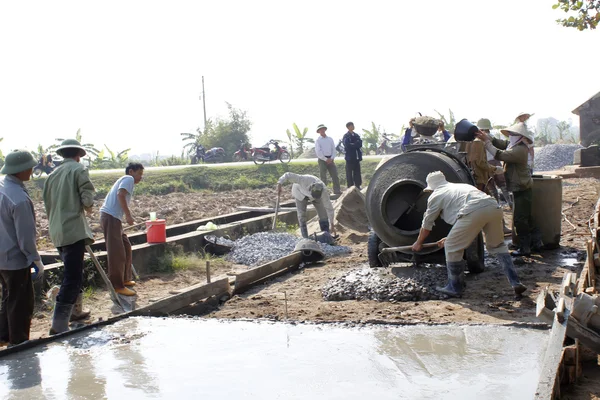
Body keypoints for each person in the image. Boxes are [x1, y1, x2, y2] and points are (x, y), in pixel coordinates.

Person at [411, 171, 526, 297]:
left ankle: (454, 287)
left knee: (451, 247)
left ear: (431, 187)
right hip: (493, 207)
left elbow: (427, 224)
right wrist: (451, 236)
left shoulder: (436, 195)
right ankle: (515, 282)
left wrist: (418, 243)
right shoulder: (463, 187)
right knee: (498, 246)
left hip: (472, 210)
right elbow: (469, 220)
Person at [43, 139, 96, 334]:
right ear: (78, 155)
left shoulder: (52, 175)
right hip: (73, 230)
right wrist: (88, 206)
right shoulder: (78, 169)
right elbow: (87, 195)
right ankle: (59, 324)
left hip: (57, 230)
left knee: (72, 271)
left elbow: (47, 204)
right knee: (72, 277)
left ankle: (75, 312)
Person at [0, 150, 43, 347]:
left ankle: (4, 336)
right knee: (21, 303)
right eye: (30, 167)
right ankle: (18, 343)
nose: (32, 170)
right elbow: (25, 236)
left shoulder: (3, 188)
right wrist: (35, 259)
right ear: (21, 170)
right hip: (14, 258)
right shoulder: (19, 199)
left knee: (8, 298)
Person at [476, 123, 537, 256]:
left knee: (521, 219)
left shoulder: (519, 150)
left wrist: (486, 142)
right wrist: (488, 138)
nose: (510, 137)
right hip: (520, 186)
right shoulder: (515, 145)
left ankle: (525, 248)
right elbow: (501, 143)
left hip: (522, 187)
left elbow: (499, 154)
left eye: (512, 135)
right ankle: (530, 243)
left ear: (520, 136)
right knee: (523, 217)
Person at [100, 163, 144, 296]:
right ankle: (117, 285)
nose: (140, 178)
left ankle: (125, 279)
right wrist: (129, 215)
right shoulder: (128, 179)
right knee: (116, 252)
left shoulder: (127, 180)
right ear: (131, 171)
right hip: (111, 217)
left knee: (125, 246)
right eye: (139, 174)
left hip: (114, 219)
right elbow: (120, 195)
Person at [277, 172, 335, 239]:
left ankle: (326, 235)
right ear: (310, 188)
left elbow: (329, 207)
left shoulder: (323, 191)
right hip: (300, 193)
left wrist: (332, 223)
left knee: (323, 213)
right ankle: (305, 237)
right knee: (301, 214)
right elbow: (288, 175)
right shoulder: (302, 179)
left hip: (315, 196)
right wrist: (279, 183)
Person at [477, 118, 512, 207]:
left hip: (487, 163)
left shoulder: (478, 138)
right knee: (502, 185)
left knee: (491, 187)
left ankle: (496, 205)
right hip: (496, 161)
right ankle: (510, 203)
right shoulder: (492, 137)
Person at [315, 124, 341, 195]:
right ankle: (324, 192)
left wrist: (331, 158)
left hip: (331, 158)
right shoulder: (318, 140)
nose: (322, 130)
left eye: (323, 129)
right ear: (319, 131)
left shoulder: (330, 139)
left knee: (335, 175)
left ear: (325, 130)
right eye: (320, 129)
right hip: (322, 159)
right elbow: (318, 152)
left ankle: (337, 190)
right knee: (323, 177)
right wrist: (326, 159)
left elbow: (334, 150)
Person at [342, 122, 363, 190]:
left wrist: (353, 144)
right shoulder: (346, 136)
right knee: (349, 172)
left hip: (356, 157)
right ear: (348, 127)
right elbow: (347, 145)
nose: (353, 126)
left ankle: (358, 185)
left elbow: (360, 144)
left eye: (353, 125)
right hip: (349, 157)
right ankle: (350, 186)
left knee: (357, 171)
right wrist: (355, 144)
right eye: (351, 126)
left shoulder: (356, 135)